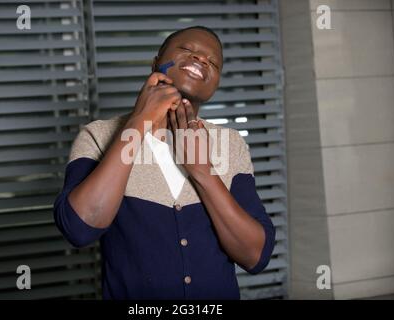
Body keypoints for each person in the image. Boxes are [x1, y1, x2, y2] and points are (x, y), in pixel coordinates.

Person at [53, 25, 275, 300]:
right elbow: (80, 228)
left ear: (215, 83)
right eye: (187, 50)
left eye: (213, 62)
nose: (201, 60)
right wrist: (138, 123)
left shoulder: (229, 144)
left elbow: (255, 256)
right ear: (156, 62)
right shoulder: (98, 137)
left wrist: (202, 173)